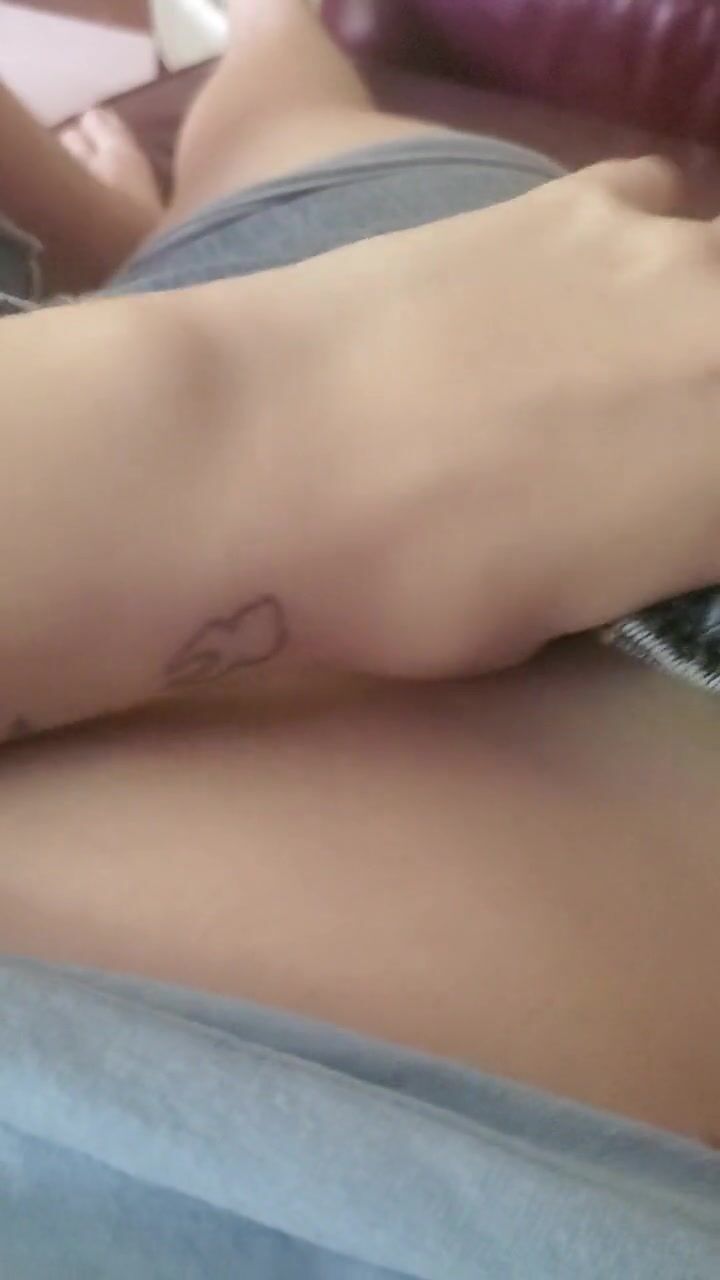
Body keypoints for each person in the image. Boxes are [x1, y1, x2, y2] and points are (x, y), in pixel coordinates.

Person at [0, 2, 719, 1275]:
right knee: (290, 139)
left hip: (361, 358)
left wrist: (258, 407)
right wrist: (251, 420)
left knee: (281, 112)